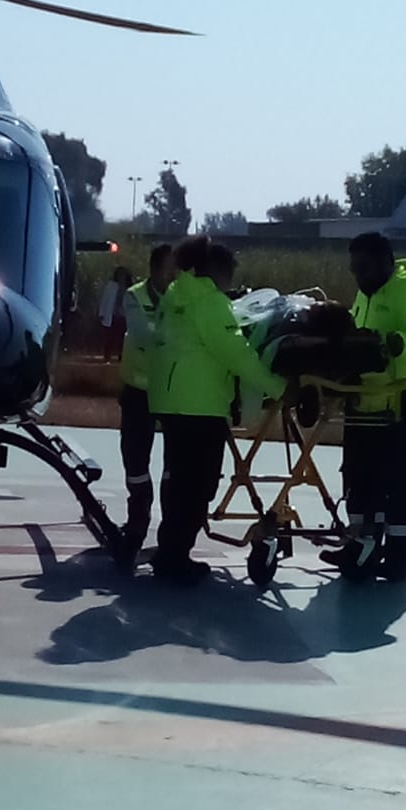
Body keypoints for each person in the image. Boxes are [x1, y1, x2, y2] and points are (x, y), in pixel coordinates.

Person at [147, 237, 285, 585]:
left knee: (178, 482)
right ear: (217, 270)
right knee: (200, 484)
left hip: (172, 402)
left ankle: (170, 552)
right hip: (201, 406)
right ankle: (176, 558)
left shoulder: (176, 295)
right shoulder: (210, 303)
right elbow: (236, 354)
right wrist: (281, 389)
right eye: (230, 272)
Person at [324, 232, 406, 582]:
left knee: (405, 480)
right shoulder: (363, 297)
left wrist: (399, 343)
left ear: (385, 263)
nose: (358, 275)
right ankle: (361, 545)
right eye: (354, 269)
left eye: (363, 267)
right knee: (360, 476)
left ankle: (399, 556)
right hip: (366, 401)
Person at [116, 242, 178, 562]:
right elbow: (142, 335)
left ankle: (169, 532)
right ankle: (137, 523)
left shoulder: (182, 298)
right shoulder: (134, 296)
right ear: (154, 270)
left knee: (173, 467)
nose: (174, 276)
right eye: (169, 269)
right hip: (138, 392)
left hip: (171, 392)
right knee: (136, 460)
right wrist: (177, 339)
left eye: (178, 270)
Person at [97, 265, 132, 361]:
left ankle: (121, 357)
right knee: (109, 338)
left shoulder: (129, 288)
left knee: (123, 339)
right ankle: (107, 357)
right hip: (112, 315)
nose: (121, 277)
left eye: (123, 275)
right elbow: (105, 299)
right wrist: (101, 313)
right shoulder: (111, 286)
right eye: (120, 275)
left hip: (123, 316)